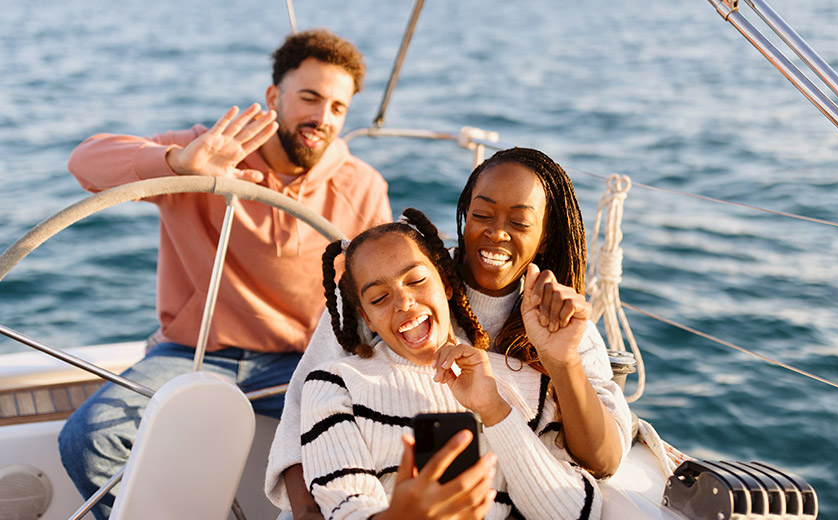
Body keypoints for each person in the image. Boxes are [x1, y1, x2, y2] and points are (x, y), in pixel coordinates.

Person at [58, 29, 392, 519]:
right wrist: (178, 165)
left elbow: (380, 289)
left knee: (376, 439)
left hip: (297, 362)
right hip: (192, 352)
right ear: (274, 96)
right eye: (310, 98)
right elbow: (85, 161)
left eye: (338, 108)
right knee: (90, 441)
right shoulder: (208, 152)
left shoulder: (362, 187)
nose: (323, 119)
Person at [266, 148, 632, 518]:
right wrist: (310, 513)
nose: (496, 232)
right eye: (481, 214)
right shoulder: (394, 275)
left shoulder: (559, 329)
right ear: (464, 215)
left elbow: (603, 463)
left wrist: (561, 362)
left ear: (546, 233)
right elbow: (302, 405)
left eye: (519, 223)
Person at [300, 208, 603, 519]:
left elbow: (572, 514)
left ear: (446, 284)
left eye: (416, 280)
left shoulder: (522, 383)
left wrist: (494, 410)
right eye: (379, 299)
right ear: (367, 318)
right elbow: (345, 507)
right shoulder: (335, 384)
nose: (404, 302)